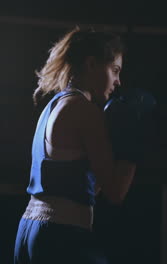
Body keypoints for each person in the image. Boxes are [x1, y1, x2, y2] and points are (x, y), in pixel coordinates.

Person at [14, 27, 137, 264]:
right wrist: (133, 142)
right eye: (114, 70)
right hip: (61, 234)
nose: (118, 81)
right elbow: (115, 192)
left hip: (29, 230)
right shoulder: (85, 110)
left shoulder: (55, 105)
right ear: (91, 64)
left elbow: (87, 185)